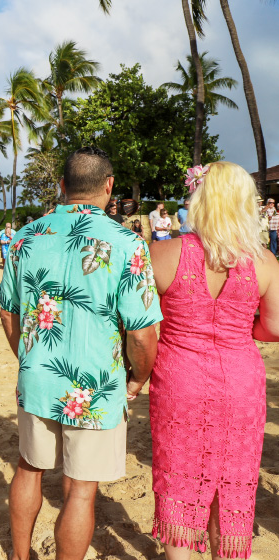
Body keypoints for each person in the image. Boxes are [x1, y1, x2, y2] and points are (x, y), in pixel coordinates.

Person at [0, 147, 161, 560]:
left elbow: (7, 311)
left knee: (28, 468)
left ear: (62, 185)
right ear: (109, 186)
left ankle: (19, 556)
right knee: (82, 490)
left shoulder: (25, 237)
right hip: (96, 382)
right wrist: (137, 379)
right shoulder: (126, 242)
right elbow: (142, 333)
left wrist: (28, 356)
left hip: (38, 374)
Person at [147, 162, 279, 559]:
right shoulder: (265, 262)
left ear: (198, 199)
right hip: (241, 380)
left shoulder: (163, 253)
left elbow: (140, 323)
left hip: (180, 378)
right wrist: (240, 329)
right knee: (232, 479)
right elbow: (274, 327)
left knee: (178, 479)